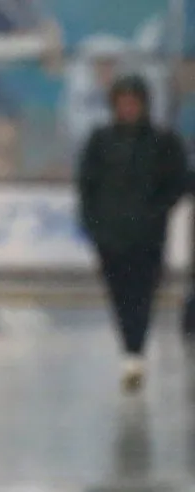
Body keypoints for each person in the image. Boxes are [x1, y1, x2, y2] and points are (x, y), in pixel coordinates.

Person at [78, 74, 188, 391]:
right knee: (120, 294)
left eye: (133, 103)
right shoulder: (100, 141)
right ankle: (130, 348)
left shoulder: (162, 142)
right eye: (122, 103)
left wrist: (157, 211)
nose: (128, 109)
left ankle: (134, 352)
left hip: (147, 235)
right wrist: (92, 223)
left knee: (143, 293)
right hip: (110, 235)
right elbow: (87, 183)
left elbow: (178, 181)